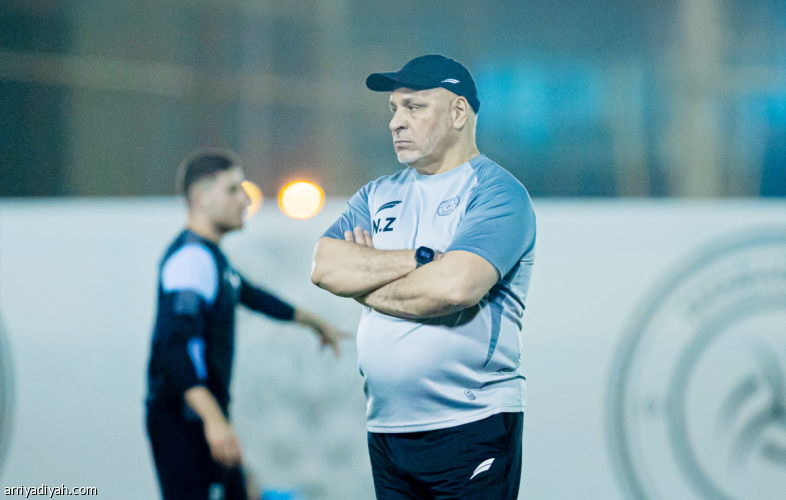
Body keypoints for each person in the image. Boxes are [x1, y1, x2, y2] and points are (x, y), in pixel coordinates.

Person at [311, 55, 536, 499]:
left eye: (414, 107)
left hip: (472, 424)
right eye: (394, 109)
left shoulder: (498, 193)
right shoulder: (377, 194)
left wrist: (364, 281)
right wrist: (422, 258)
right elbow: (324, 267)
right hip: (387, 430)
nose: (396, 122)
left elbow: (455, 288)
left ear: (458, 112)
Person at [146, 149, 350, 500]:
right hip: (184, 418)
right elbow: (173, 348)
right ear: (200, 198)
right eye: (233, 189)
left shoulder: (212, 258)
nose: (244, 199)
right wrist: (213, 420)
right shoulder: (190, 260)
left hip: (200, 416)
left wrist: (314, 322)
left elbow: (250, 295)